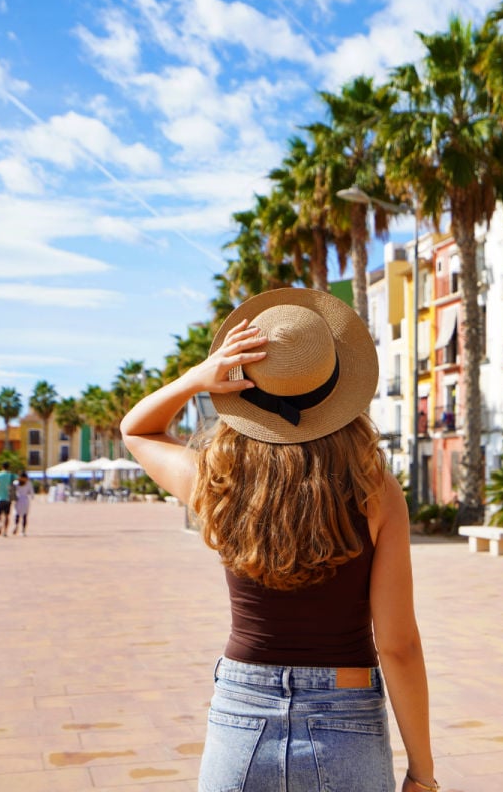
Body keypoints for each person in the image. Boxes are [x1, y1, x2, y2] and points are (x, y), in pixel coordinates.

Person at [121, 288, 436, 792]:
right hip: (347, 714)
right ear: (339, 391)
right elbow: (398, 645)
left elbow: (137, 431)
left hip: (241, 714)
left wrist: (197, 380)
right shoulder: (375, 488)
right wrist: (422, 771)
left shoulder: (217, 479)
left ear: (243, 393)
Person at [0, 461, 17, 537]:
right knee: (6, 515)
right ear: (9, 467)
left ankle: (0, 524)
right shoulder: (12, 475)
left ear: (2, 467)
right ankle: (5, 531)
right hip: (8, 498)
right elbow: (19, 481)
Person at [13, 471, 34, 535]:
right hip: (24, 500)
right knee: (23, 515)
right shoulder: (28, 483)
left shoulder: (15, 483)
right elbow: (32, 492)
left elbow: (13, 491)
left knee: (19, 514)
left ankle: (19, 528)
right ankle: (22, 530)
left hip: (19, 499)